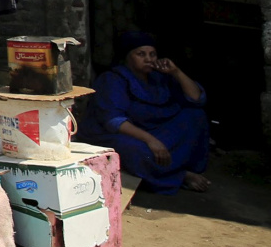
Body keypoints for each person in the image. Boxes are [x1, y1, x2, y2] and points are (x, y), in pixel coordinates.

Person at [79, 30, 211, 194]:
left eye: (152, 54)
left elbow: (197, 99)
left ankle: (181, 167)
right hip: (121, 134)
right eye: (141, 54)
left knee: (195, 116)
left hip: (154, 131)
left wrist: (176, 72)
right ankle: (178, 176)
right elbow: (113, 121)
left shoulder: (160, 76)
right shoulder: (112, 79)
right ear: (128, 56)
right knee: (134, 150)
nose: (148, 59)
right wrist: (151, 140)